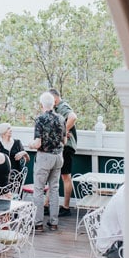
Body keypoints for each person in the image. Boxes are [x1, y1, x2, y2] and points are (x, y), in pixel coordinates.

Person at [28, 91, 66, 232]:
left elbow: (37, 143)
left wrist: (30, 145)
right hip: (58, 157)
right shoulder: (61, 118)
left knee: (38, 189)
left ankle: (38, 224)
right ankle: (54, 222)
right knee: (54, 189)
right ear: (53, 103)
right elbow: (64, 140)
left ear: (41, 104)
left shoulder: (40, 119)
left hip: (44, 157)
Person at [49, 88, 78, 218]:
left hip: (67, 147)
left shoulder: (62, 106)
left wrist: (62, 132)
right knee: (53, 175)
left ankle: (66, 207)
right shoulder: (55, 110)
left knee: (65, 176)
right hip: (60, 146)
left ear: (54, 98)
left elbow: (73, 117)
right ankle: (46, 204)